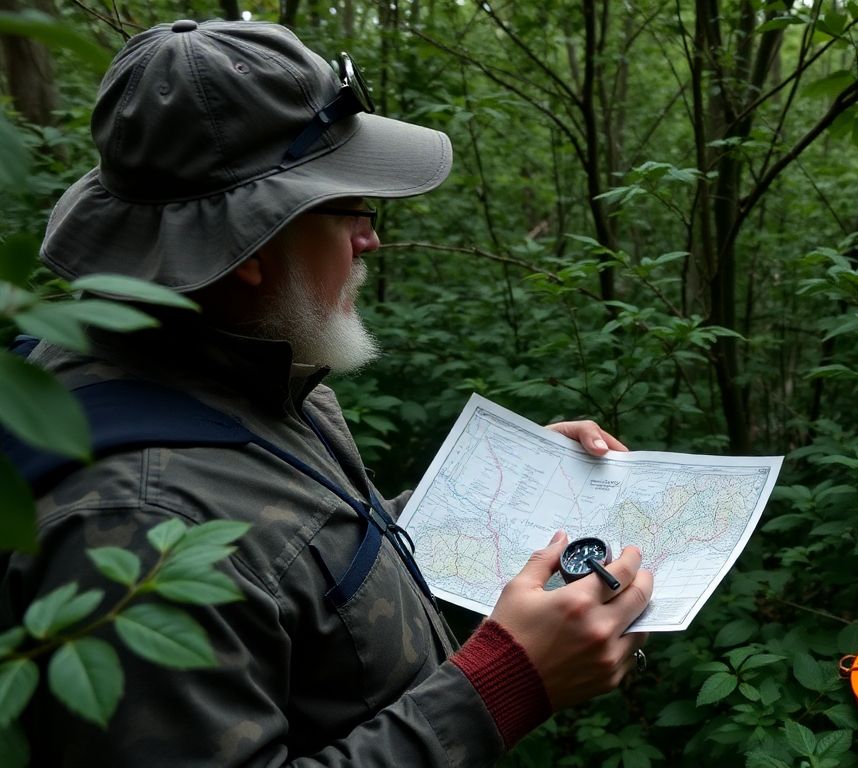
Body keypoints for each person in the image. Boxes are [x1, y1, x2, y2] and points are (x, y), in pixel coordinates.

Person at [0, 19, 652, 766]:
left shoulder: (232, 365)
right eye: (351, 209)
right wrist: (506, 684)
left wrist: (493, 502)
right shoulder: (137, 521)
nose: (371, 239)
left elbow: (293, 561)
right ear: (250, 247)